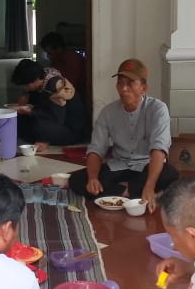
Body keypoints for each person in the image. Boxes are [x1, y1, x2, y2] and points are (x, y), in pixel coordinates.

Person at [68, 58, 178, 211]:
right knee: (77, 179)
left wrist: (149, 185)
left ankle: (119, 192)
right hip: (118, 166)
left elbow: (159, 149)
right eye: (120, 83)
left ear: (144, 88)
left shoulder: (158, 109)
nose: (124, 89)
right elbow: (96, 150)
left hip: (146, 166)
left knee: (169, 174)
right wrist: (92, 178)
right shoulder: (108, 112)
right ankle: (129, 192)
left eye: (130, 84)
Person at [10, 58, 89, 146]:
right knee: (20, 119)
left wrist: (31, 111)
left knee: (38, 126)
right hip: (57, 123)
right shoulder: (44, 78)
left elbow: (57, 118)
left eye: (26, 85)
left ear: (36, 79)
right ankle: (43, 139)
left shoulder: (54, 85)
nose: (26, 88)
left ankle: (44, 139)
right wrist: (26, 96)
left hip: (71, 130)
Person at [40, 31, 87, 98]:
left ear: (58, 48)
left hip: (75, 96)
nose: (48, 56)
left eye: (49, 53)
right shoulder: (55, 61)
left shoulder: (72, 59)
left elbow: (70, 84)